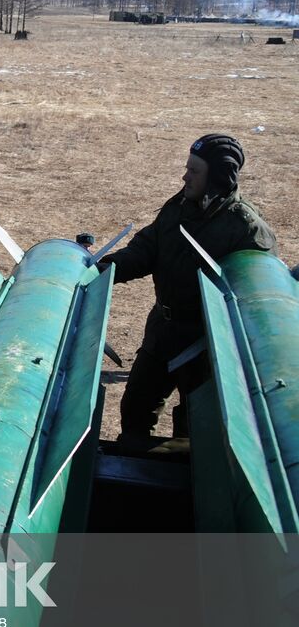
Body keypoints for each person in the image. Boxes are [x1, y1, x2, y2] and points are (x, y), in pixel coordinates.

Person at [99, 134, 276, 447]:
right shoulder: (179, 206)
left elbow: (257, 294)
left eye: (194, 171)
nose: (185, 176)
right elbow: (147, 248)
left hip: (206, 346)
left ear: (217, 177)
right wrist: (105, 269)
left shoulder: (246, 230)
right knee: (136, 408)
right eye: (187, 168)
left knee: (196, 428)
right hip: (163, 332)